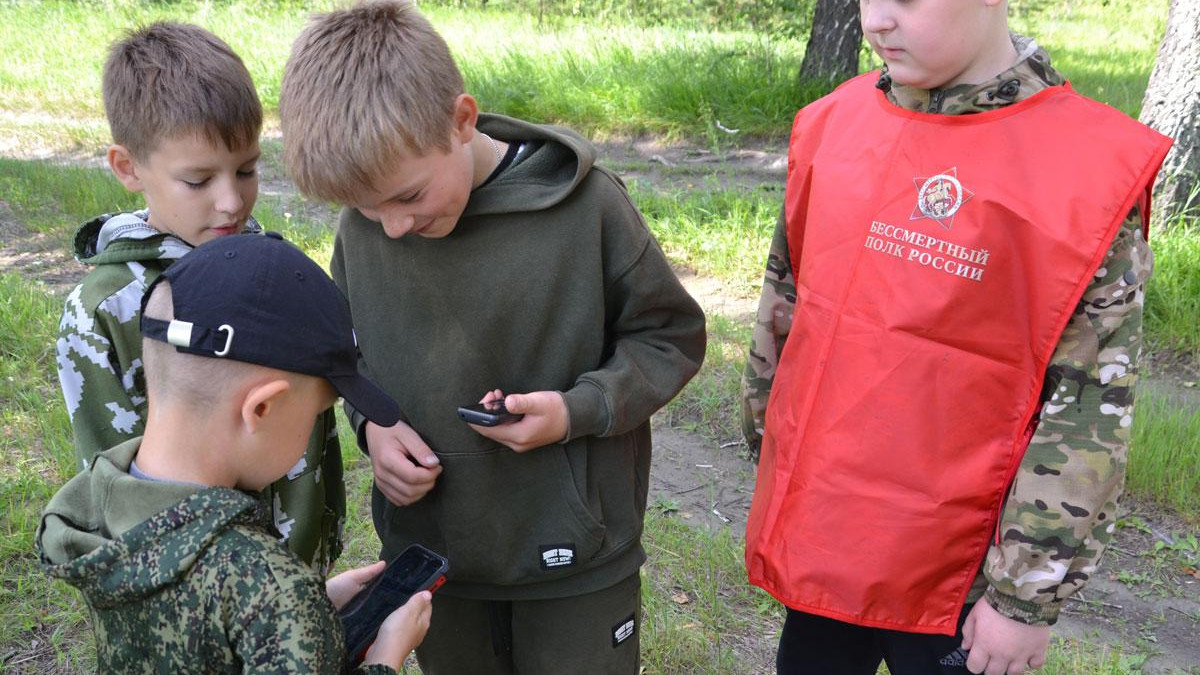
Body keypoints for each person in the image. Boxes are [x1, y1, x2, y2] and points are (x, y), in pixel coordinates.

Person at [741, 1, 1173, 674]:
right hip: (829, 529)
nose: (877, 21)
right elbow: (789, 306)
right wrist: (768, 446)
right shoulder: (836, 123)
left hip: (962, 577)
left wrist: (1023, 597)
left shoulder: (1083, 169)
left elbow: (1089, 406)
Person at [277, 2, 707, 672]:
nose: (392, 227)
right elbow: (347, 353)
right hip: (433, 558)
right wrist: (373, 426)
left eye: (408, 197)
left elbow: (669, 336)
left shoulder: (586, 207)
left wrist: (575, 409)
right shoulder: (366, 226)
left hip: (575, 563)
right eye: (365, 207)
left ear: (462, 120)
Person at [38, 233, 432, 673]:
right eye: (316, 414)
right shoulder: (271, 584)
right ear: (261, 408)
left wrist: (301, 618)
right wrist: (385, 657)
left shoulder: (100, 519)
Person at [54, 22, 346, 572]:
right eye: (198, 180)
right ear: (128, 167)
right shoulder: (104, 312)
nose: (231, 201)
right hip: (201, 590)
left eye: (247, 169)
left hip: (300, 567)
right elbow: (119, 492)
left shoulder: (270, 267)